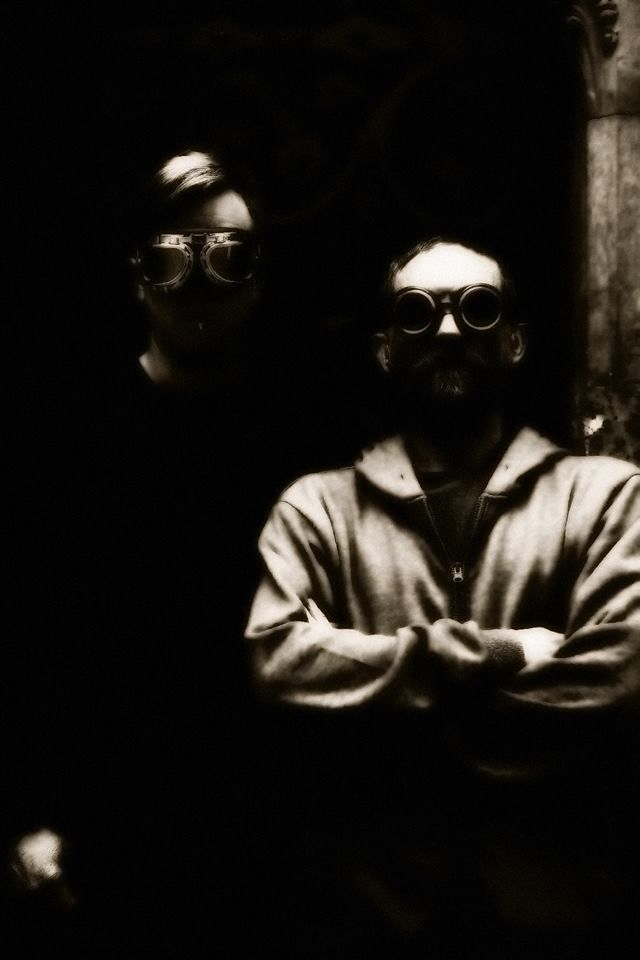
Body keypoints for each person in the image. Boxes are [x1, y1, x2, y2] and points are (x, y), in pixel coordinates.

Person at [245, 236, 640, 958]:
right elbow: (278, 666)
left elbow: (621, 676)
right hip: (373, 921)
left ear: (515, 342)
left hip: (558, 916)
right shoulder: (318, 512)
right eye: (418, 312)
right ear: (385, 350)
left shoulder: (605, 499)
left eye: (478, 309)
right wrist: (502, 652)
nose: (451, 330)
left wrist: (384, 721)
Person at [4, 148, 286, 956]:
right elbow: (25, 635)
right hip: (106, 826)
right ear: (138, 277)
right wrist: (25, 814)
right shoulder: (67, 439)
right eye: (171, 258)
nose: (198, 283)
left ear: (256, 280)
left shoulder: (301, 437)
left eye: (226, 257)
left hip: (268, 824)